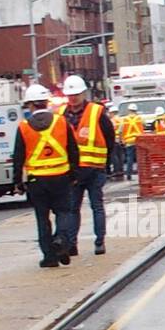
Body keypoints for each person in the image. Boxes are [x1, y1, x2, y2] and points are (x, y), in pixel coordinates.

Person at [12, 83, 79, 268]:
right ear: (46, 102)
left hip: (37, 180)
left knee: (42, 218)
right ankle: (62, 240)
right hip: (61, 176)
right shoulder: (61, 122)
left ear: (30, 105)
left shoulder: (24, 127)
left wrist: (17, 181)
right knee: (64, 212)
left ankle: (49, 257)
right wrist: (74, 173)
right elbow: (73, 149)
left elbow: (18, 157)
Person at [61, 75, 116, 255]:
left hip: (94, 169)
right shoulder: (61, 115)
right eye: (70, 95)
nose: (73, 98)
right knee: (72, 208)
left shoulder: (96, 112)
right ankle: (71, 244)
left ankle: (99, 242)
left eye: (76, 94)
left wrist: (106, 163)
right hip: (73, 171)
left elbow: (109, 138)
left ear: (84, 93)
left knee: (96, 206)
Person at [120, 103, 141, 181]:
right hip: (138, 141)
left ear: (129, 110)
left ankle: (129, 174)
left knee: (130, 159)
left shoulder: (124, 119)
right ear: (136, 110)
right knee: (139, 158)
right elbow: (145, 125)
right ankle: (141, 174)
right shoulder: (139, 118)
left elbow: (120, 131)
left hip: (129, 142)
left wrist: (122, 140)